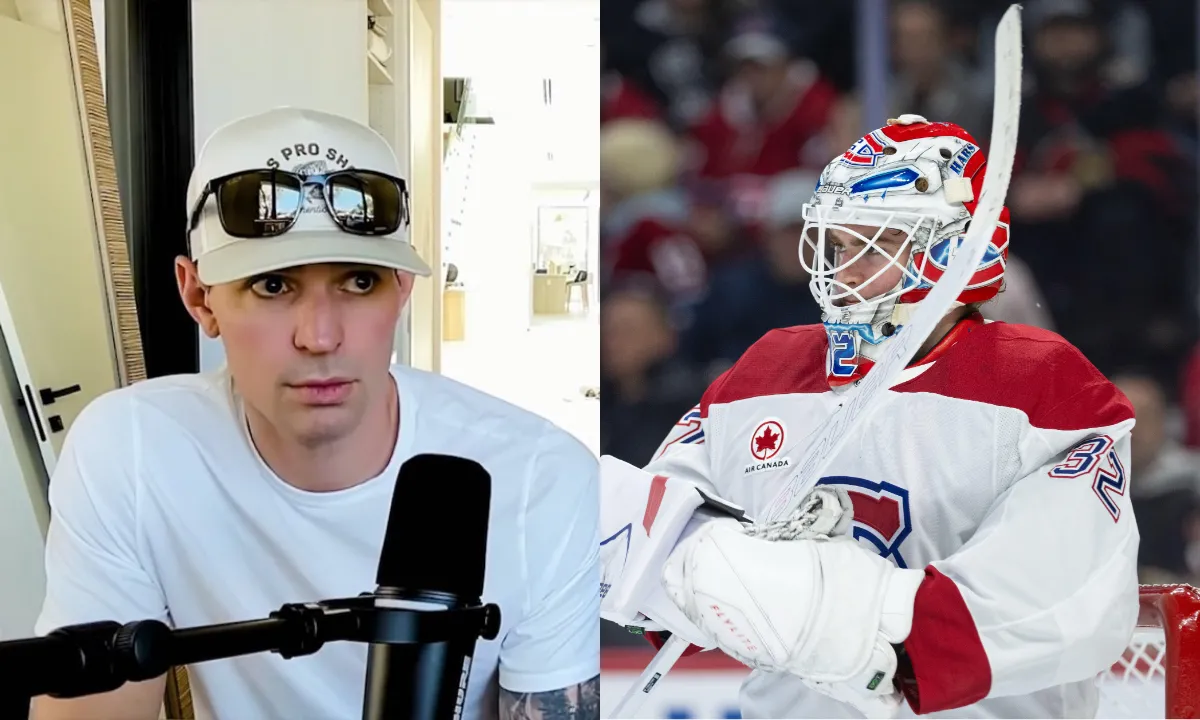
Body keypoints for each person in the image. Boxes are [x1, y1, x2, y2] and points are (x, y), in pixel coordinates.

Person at [32, 107, 599, 720]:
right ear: (199, 297)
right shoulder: (132, 450)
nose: (321, 335)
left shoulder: (542, 478)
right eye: (273, 285)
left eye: (359, 282)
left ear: (402, 294)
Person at [634, 116, 1139, 717]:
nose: (840, 270)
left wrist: (832, 610)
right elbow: (646, 537)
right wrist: (706, 572)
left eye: (874, 244)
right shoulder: (764, 370)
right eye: (838, 243)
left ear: (952, 250)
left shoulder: (1043, 384)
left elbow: (1059, 594)